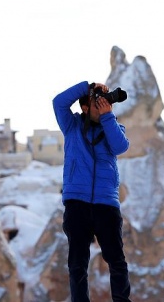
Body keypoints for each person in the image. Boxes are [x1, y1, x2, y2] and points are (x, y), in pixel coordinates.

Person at [53, 81, 132, 302]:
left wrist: (107, 116)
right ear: (85, 108)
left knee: (117, 261)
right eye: (97, 103)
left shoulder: (113, 126)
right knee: (77, 264)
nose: (104, 106)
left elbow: (120, 146)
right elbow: (58, 102)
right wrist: (87, 86)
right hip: (77, 202)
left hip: (106, 204)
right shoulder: (72, 125)